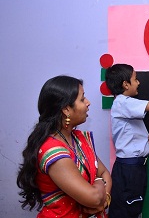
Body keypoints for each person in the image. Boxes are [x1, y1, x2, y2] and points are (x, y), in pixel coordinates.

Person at [17, 75, 112, 218]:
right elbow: (94, 197)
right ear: (66, 109)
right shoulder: (53, 150)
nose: (88, 103)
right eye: (82, 99)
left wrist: (103, 201)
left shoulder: (78, 139)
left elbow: (105, 174)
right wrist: (99, 186)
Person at [105, 63, 149, 218]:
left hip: (134, 167)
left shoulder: (124, 104)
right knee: (126, 210)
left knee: (132, 208)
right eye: (135, 79)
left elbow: (129, 132)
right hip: (129, 169)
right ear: (125, 84)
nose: (139, 82)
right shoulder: (123, 102)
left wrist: (145, 141)